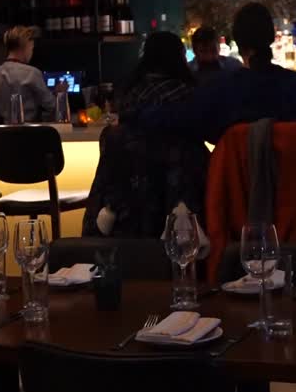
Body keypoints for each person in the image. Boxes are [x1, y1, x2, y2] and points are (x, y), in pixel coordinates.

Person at [127, 2, 296, 145]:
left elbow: (174, 118)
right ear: (273, 37)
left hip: (236, 189)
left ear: (236, 42)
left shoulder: (219, 91)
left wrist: (134, 113)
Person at [82, 32, 209, 239]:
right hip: (182, 210)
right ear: (180, 59)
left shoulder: (130, 96)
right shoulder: (188, 97)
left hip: (126, 214)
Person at [0, 26, 65, 124]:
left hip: (2, 132)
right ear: (26, 46)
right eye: (32, 48)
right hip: (30, 131)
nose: (31, 53)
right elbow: (53, 107)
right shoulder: (32, 73)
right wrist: (60, 94)